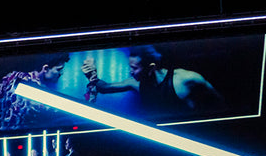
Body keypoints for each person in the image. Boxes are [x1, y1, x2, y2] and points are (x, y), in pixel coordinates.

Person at [82, 45, 225, 116]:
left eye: (134, 68)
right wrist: (91, 74)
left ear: (151, 67)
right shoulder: (135, 83)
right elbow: (105, 87)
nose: (131, 72)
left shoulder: (185, 78)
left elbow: (219, 100)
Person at [0, 53, 70, 131]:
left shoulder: (13, 76)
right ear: (45, 69)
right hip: (22, 141)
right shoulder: (40, 93)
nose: (61, 73)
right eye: (59, 69)